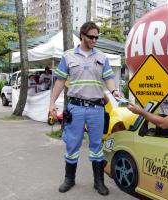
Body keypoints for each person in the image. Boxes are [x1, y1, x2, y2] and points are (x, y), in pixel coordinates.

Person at [49, 21, 122, 196]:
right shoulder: (68, 56)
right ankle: (69, 178)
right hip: (76, 108)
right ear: (82, 35)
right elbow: (59, 81)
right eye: (91, 37)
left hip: (97, 108)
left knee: (97, 145)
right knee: (72, 144)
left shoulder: (102, 57)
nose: (94, 40)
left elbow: (109, 77)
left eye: (97, 37)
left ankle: (99, 182)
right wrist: (52, 103)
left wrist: (114, 90)